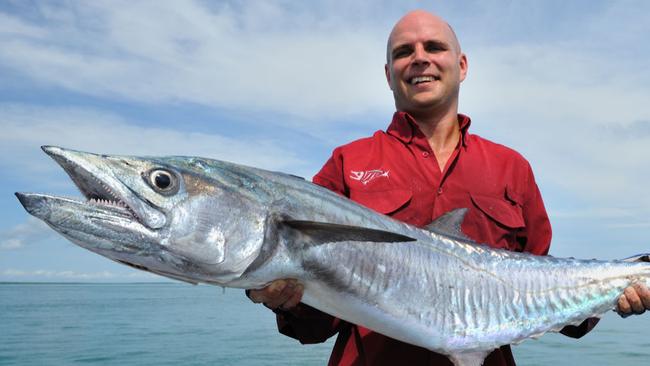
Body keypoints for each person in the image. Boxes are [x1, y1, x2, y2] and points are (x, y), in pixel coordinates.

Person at [246, 10, 650, 366]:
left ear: (461, 64)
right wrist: (288, 301)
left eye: (433, 47)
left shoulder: (511, 167)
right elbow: (316, 325)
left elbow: (542, 285)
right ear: (389, 74)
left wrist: (616, 293)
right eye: (404, 52)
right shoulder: (348, 163)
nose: (419, 58)